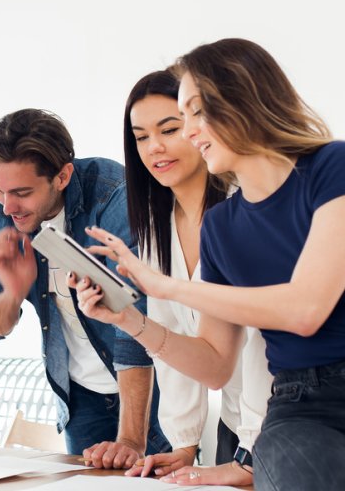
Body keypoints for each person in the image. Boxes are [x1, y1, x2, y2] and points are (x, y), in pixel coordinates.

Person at [70, 39, 345, 490]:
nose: (188, 133)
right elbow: (214, 365)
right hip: (305, 404)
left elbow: (307, 308)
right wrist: (128, 318)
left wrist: (165, 287)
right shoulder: (221, 227)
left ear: (242, 99)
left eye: (195, 113)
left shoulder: (337, 165)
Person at [0, 108, 171, 464]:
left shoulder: (114, 197)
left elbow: (135, 317)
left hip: (152, 388)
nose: (7, 205)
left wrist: (130, 438)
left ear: (62, 177)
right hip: (80, 396)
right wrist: (13, 293)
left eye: (22, 192)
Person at [112, 70, 273, 487]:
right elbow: (170, 339)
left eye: (169, 129)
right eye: (141, 137)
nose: (155, 148)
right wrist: (183, 443)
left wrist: (252, 456)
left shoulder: (248, 213)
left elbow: (263, 346)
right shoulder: (156, 228)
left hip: (277, 430)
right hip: (237, 433)